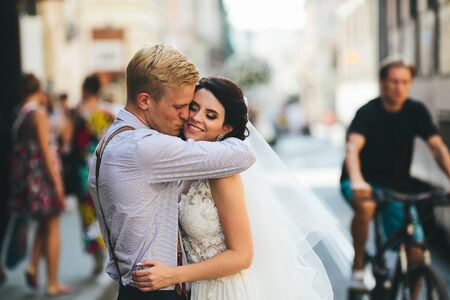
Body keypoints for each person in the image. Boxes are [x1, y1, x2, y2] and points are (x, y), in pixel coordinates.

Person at [131, 77, 334, 299]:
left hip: (226, 290)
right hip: (198, 289)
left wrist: (172, 276)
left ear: (225, 128)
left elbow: (242, 255)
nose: (196, 118)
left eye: (210, 116)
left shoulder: (223, 174)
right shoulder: (188, 163)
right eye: (194, 108)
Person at [87, 45, 256, 300]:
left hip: (137, 286)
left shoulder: (110, 139)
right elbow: (244, 154)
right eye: (181, 106)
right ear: (145, 101)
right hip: (155, 292)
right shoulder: (145, 147)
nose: (187, 115)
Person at [340, 59, 450, 289]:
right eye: (393, 81)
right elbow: (352, 148)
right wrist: (358, 179)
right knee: (367, 206)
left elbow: (438, 148)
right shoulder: (367, 112)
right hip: (360, 181)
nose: (399, 87)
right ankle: (359, 262)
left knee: (416, 250)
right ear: (382, 83)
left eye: (405, 82)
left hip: (397, 186)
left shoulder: (416, 111)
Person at [10, 73, 72, 296]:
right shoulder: (38, 114)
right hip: (43, 180)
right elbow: (47, 153)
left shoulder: (20, 114)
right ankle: (53, 282)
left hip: (27, 181)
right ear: (38, 90)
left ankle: (33, 265)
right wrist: (58, 185)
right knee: (53, 227)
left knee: (44, 225)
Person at [71, 74, 114, 275]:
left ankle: (96, 253)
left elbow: (70, 141)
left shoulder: (78, 112)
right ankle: (107, 250)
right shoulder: (106, 111)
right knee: (104, 210)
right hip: (104, 167)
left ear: (85, 89)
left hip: (83, 170)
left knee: (88, 213)